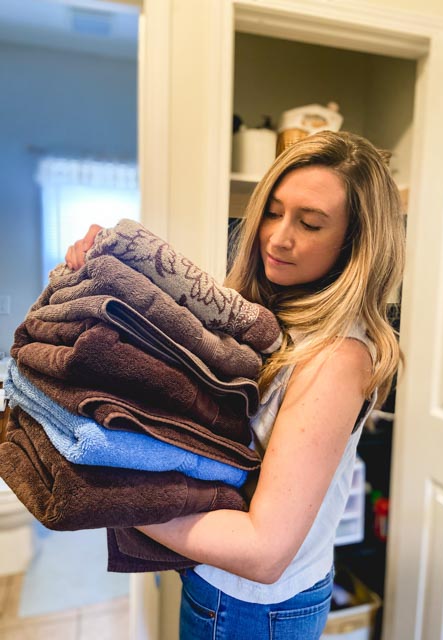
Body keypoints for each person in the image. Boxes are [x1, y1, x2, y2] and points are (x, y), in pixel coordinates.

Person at [66, 130, 405, 639]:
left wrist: (102, 494)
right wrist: (110, 261)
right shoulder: (267, 312)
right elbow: (181, 319)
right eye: (272, 210)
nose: (278, 237)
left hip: (252, 609)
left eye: (309, 223)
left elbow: (263, 552)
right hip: (227, 590)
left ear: (356, 245)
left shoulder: (335, 357)